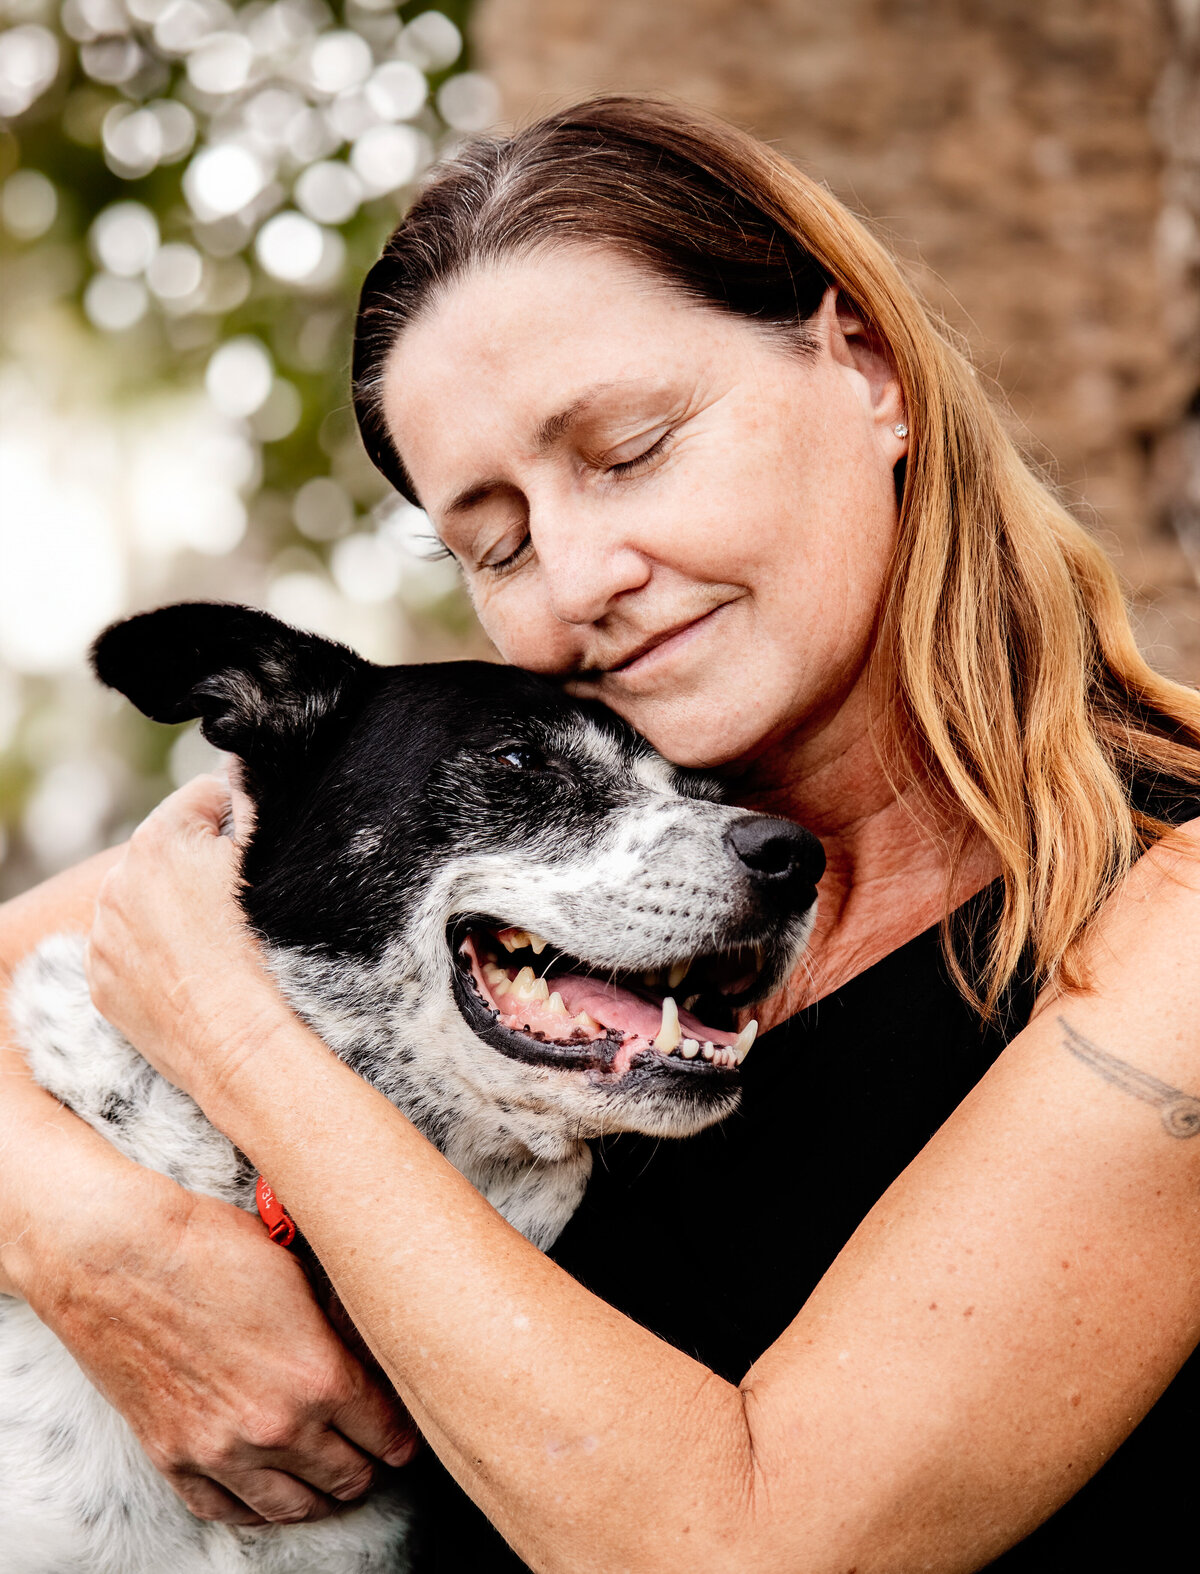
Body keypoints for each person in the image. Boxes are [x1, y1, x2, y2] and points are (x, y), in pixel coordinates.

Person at [4, 95, 1200, 1572]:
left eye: (630, 449)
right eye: (493, 541)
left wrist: (240, 1044)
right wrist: (98, 1244)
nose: (577, 576)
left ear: (869, 371)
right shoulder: (500, 824)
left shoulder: (1176, 914)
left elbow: (744, 1548)